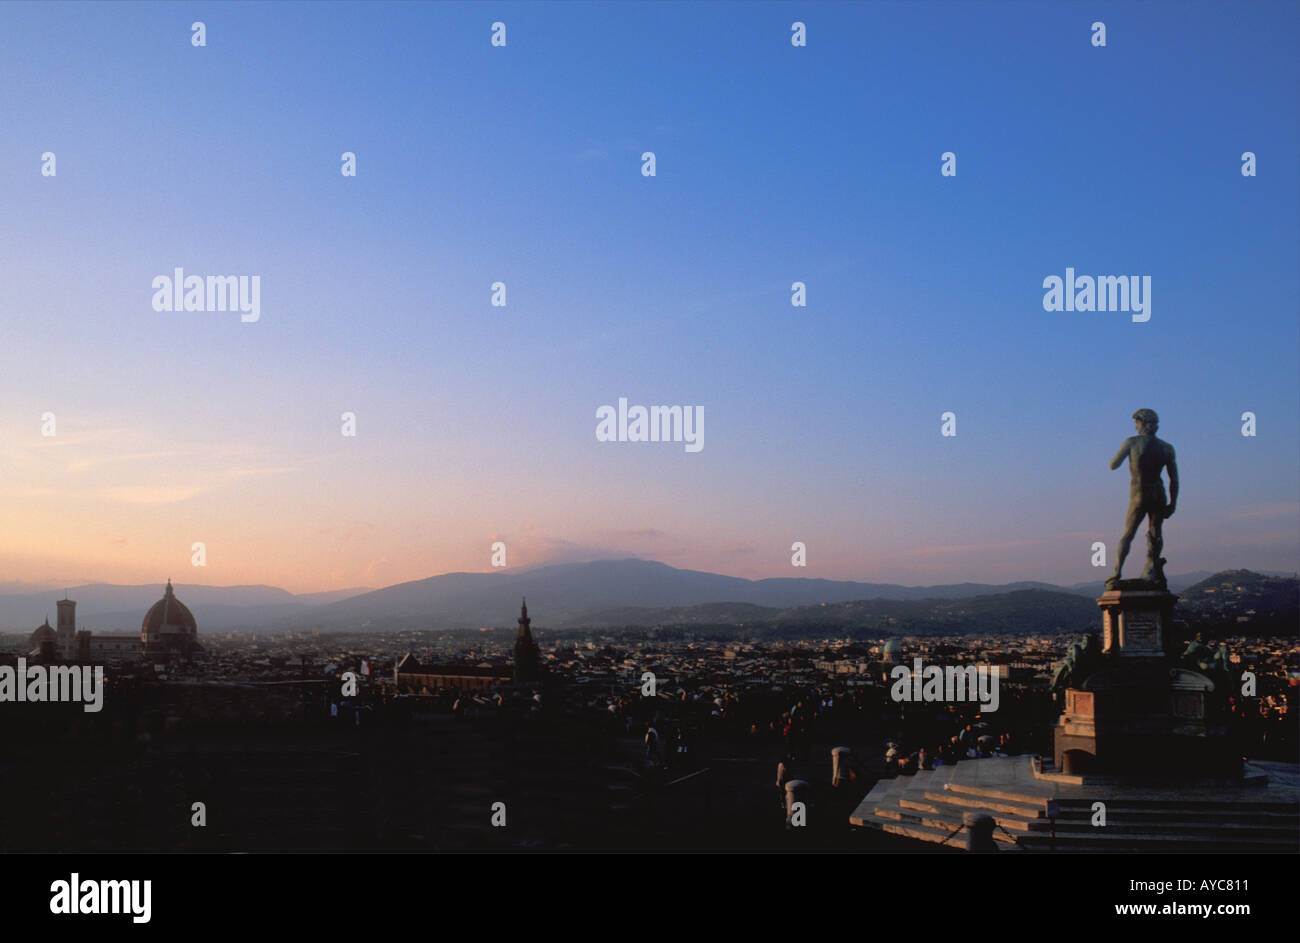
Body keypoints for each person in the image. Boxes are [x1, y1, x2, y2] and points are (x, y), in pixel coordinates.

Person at [1107, 408, 1179, 586]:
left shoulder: (1132, 442)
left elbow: (1113, 465)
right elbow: (1174, 479)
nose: (1135, 426)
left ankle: (1116, 573)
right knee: (1155, 533)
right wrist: (1173, 504)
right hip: (1159, 494)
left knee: (1128, 534)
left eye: (1137, 423)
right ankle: (1153, 570)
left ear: (1144, 424)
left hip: (1140, 493)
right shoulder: (1166, 448)